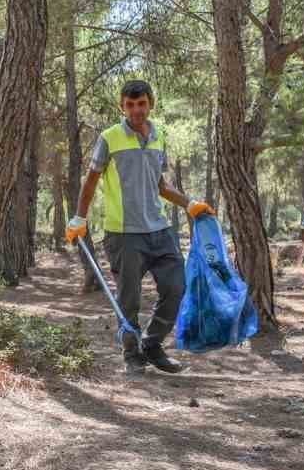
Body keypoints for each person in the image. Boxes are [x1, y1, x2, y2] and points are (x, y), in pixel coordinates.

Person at [66, 79, 214, 376]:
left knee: (176, 287)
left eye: (142, 103)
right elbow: (91, 180)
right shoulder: (110, 138)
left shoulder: (158, 138)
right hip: (123, 234)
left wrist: (189, 204)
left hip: (159, 230)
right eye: (131, 104)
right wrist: (80, 219)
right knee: (128, 299)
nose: (136, 110)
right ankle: (131, 354)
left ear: (151, 104)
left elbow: (160, 185)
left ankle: (153, 343)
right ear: (123, 106)